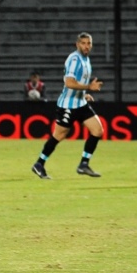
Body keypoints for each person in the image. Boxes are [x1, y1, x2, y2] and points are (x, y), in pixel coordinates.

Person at [31, 32, 103, 180]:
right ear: (77, 44)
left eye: (88, 43)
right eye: (83, 43)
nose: (86, 46)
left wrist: (84, 94)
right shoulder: (74, 59)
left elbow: (77, 84)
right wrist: (89, 87)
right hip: (68, 106)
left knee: (97, 130)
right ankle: (39, 164)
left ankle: (83, 164)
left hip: (80, 103)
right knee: (59, 135)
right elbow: (69, 83)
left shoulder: (86, 60)